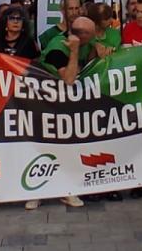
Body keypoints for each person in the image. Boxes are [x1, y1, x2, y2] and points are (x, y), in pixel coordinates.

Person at [28, 17, 95, 210]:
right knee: (44, 147)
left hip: (65, 104)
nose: (93, 39)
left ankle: (66, 189)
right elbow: (68, 79)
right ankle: (36, 191)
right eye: (90, 36)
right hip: (43, 101)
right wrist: (74, 51)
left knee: (67, 147)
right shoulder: (57, 47)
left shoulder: (85, 41)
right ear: (80, 35)